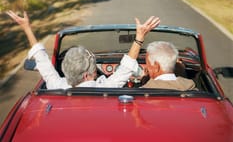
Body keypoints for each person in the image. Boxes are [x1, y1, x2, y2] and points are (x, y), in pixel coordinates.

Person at [6, 10, 160, 89]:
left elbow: (42, 59)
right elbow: (127, 66)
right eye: (94, 68)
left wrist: (26, 27)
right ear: (87, 75)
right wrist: (139, 36)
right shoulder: (106, 86)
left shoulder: (56, 85)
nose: (95, 70)